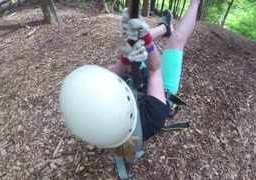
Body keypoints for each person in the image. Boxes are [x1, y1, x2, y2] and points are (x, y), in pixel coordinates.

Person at [59, 0, 201, 159]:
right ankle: (195, 3)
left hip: (134, 85)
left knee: (135, 44)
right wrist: (145, 40)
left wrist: (128, 54)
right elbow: (155, 69)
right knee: (176, 40)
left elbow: (111, 75)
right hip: (159, 94)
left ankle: (164, 28)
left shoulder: (94, 122)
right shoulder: (152, 117)